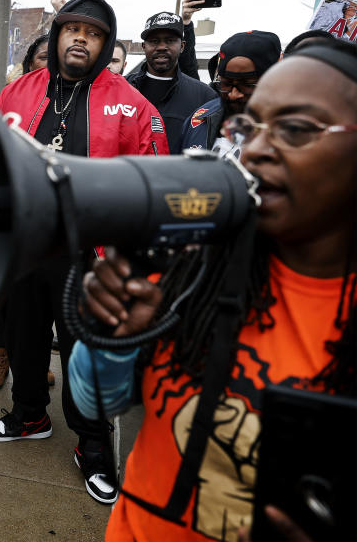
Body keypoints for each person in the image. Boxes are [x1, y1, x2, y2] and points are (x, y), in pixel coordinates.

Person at [73, 39, 357, 541]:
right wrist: (111, 338)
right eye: (250, 127)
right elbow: (95, 403)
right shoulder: (193, 257)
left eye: (295, 129)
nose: (260, 148)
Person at [0, 0, 169, 506]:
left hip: (90, 255)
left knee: (86, 353)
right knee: (23, 337)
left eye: (93, 32)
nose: (81, 38)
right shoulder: (18, 92)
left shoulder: (132, 105)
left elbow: (152, 187)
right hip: (26, 245)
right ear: (58, 34)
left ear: (106, 44)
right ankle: (29, 415)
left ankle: (93, 446)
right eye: (73, 29)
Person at [126, 12, 216, 153]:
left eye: (170, 40)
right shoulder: (122, 88)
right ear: (143, 46)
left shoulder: (204, 97)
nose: (162, 47)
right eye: (154, 41)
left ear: (182, 46)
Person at [180, 30, 281, 153]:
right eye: (226, 84)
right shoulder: (200, 119)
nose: (233, 95)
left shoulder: (296, 132)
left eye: (246, 85)